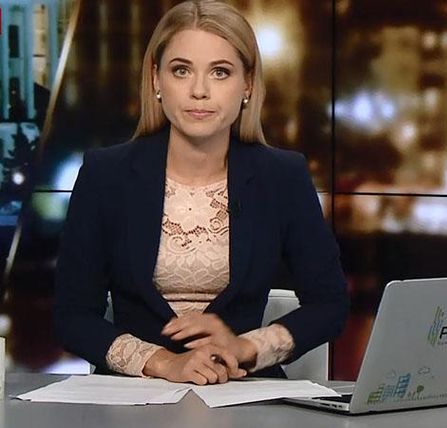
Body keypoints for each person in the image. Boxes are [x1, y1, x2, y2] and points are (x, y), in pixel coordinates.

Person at [53, 0, 348, 385]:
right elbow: (72, 315)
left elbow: (329, 305)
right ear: (156, 79)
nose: (199, 91)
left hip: (240, 391)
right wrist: (163, 362)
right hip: (133, 396)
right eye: (181, 70)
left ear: (247, 84)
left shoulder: (282, 177)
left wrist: (245, 347)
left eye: (220, 72)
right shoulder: (105, 174)